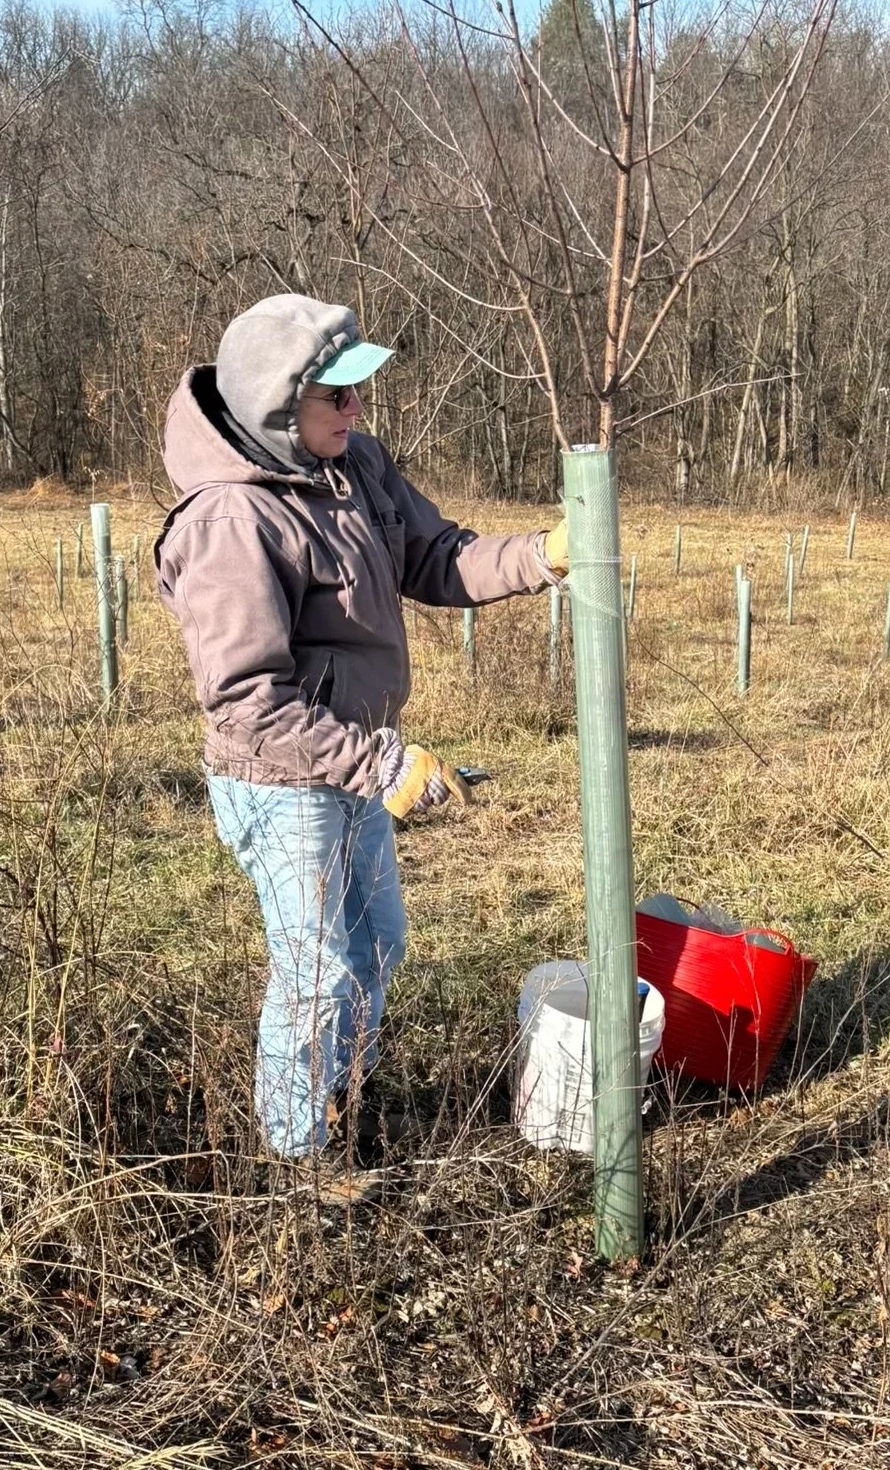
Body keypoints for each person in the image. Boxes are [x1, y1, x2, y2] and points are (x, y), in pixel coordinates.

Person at [154, 294, 568, 1163]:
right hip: (281, 780)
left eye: (355, 391)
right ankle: (300, 1164)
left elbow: (434, 554)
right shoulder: (231, 519)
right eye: (334, 396)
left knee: (378, 947)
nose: (356, 409)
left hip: (354, 766)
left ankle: (344, 1105)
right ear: (277, 404)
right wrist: (379, 764)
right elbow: (245, 702)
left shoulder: (356, 467)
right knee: (317, 975)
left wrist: (541, 554)